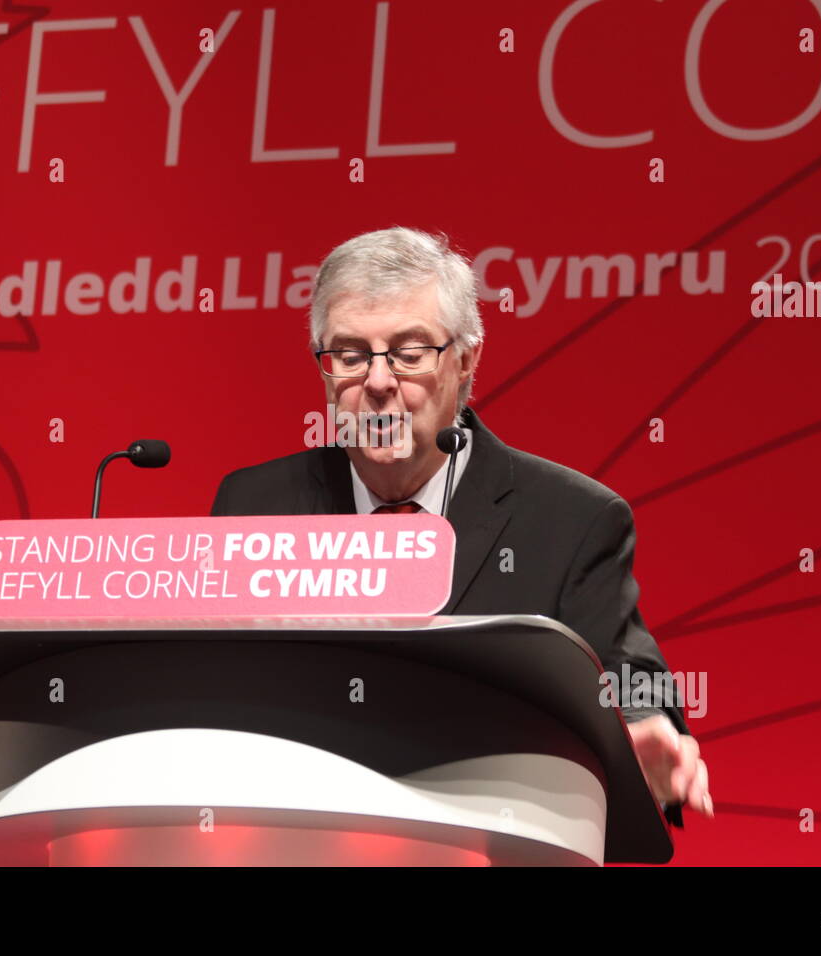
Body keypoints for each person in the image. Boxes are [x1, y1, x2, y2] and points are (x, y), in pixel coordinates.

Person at [210, 226, 712, 825]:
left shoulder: (570, 519)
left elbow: (632, 677)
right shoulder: (256, 504)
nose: (376, 382)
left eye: (409, 352)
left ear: (467, 358)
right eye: (349, 354)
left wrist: (645, 730)